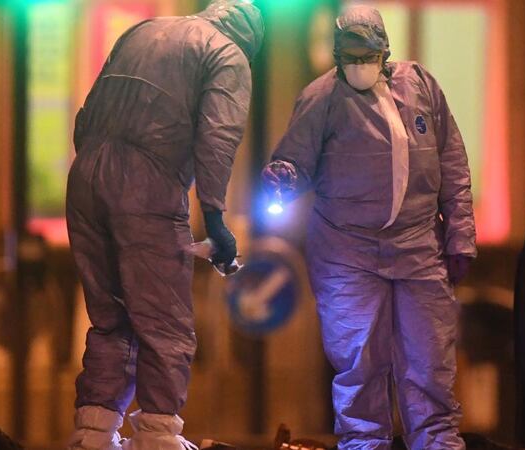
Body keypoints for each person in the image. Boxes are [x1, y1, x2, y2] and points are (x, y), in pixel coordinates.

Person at [262, 5, 476, 450]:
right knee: (359, 363)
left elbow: (451, 162)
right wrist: (283, 178)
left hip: (419, 246)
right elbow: (295, 160)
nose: (359, 66)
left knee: (430, 359)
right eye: (351, 58)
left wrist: (460, 236)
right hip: (347, 253)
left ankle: (436, 441)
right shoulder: (321, 98)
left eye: (367, 57)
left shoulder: (419, 86)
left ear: (385, 52)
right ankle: (364, 443)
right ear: (337, 56)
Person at [66, 2, 263, 449]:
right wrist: (214, 217)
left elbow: (86, 114)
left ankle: (94, 433)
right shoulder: (226, 53)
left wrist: (99, 168)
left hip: (85, 178)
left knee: (111, 319)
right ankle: (157, 434)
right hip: (146, 186)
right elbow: (217, 137)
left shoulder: (143, 30)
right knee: (164, 320)